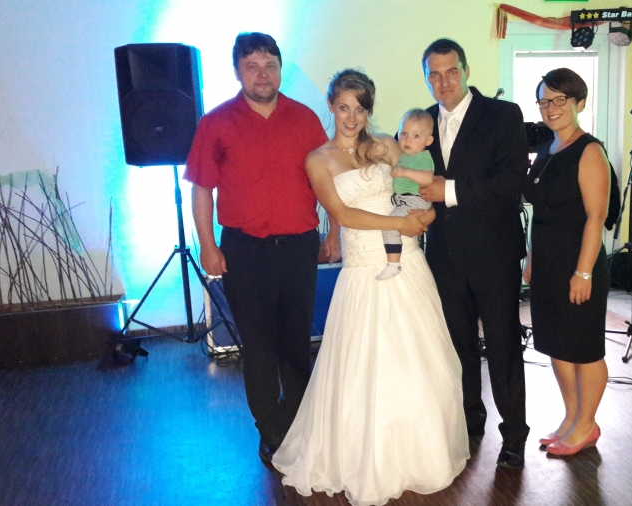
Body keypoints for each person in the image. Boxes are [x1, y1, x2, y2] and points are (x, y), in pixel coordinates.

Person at [272, 69, 469, 506]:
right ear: (331, 106)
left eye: (360, 109)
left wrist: (424, 215)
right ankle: (364, 457)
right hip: (364, 267)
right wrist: (397, 224)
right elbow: (342, 214)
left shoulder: (385, 145)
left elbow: (416, 190)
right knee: (366, 364)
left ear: (369, 110)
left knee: (417, 359)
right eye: (344, 107)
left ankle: (419, 451)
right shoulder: (318, 159)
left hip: (408, 262)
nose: (352, 117)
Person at [184, 32, 336, 464]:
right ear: (237, 71)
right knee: (259, 346)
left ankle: (300, 425)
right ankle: (270, 430)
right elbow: (202, 189)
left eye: (270, 65)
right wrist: (208, 245)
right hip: (244, 251)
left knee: (296, 343)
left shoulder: (305, 119)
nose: (262, 74)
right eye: (252, 66)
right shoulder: (215, 123)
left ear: (280, 70)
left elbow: (327, 183)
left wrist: (334, 234)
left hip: (299, 249)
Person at [418, 38, 530, 469]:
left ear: (466, 71)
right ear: (427, 79)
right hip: (443, 256)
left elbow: (511, 181)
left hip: (494, 254)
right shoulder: (421, 122)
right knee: (457, 344)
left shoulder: (503, 115)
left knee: (503, 346)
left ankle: (514, 434)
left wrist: (447, 191)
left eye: (451, 71)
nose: (444, 81)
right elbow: (408, 181)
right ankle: (470, 418)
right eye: (434, 74)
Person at [522, 68, 610, 456]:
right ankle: (572, 418)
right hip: (547, 263)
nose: (551, 107)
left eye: (560, 99)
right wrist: (531, 258)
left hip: (578, 264)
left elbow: (596, 217)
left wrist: (583, 272)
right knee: (558, 346)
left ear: (579, 103)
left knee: (583, 348)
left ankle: (587, 425)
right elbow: (539, 213)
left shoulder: (589, 151)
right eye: (544, 100)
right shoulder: (547, 150)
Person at [376, 108, 436, 281]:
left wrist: (406, 172)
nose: (408, 139)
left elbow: (428, 178)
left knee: (390, 225)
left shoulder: (422, 156)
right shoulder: (405, 156)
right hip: (406, 199)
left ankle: (393, 264)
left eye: (416, 136)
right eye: (404, 133)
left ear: (428, 140)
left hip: (415, 200)